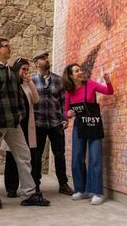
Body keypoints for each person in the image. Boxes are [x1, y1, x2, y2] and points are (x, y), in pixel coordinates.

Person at [0, 38, 50, 209]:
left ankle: (28, 193)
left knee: (25, 155)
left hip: (14, 123)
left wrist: (20, 112)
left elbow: (18, 95)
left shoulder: (11, 71)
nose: (9, 49)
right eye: (6, 47)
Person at [62, 63, 114, 205]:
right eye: (77, 71)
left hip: (93, 124)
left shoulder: (90, 84)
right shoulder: (69, 91)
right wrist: (69, 114)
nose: (81, 72)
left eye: (81, 70)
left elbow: (109, 92)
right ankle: (81, 189)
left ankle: (97, 192)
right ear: (71, 75)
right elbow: (66, 111)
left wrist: (108, 81)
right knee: (77, 157)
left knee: (94, 157)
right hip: (79, 126)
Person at [31, 51, 73, 195]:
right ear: (37, 63)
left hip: (56, 123)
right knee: (36, 155)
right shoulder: (31, 81)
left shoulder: (58, 80)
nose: (47, 60)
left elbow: (64, 101)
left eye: (47, 58)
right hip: (38, 124)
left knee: (59, 154)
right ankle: (35, 185)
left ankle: (63, 184)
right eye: (43, 58)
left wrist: (65, 118)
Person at [4, 58, 39, 198]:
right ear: (16, 69)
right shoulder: (10, 83)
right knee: (11, 157)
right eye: (23, 69)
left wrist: (30, 81)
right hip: (13, 125)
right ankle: (11, 188)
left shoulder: (26, 84)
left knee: (26, 157)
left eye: (27, 69)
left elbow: (36, 99)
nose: (25, 72)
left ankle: (28, 185)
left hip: (26, 125)